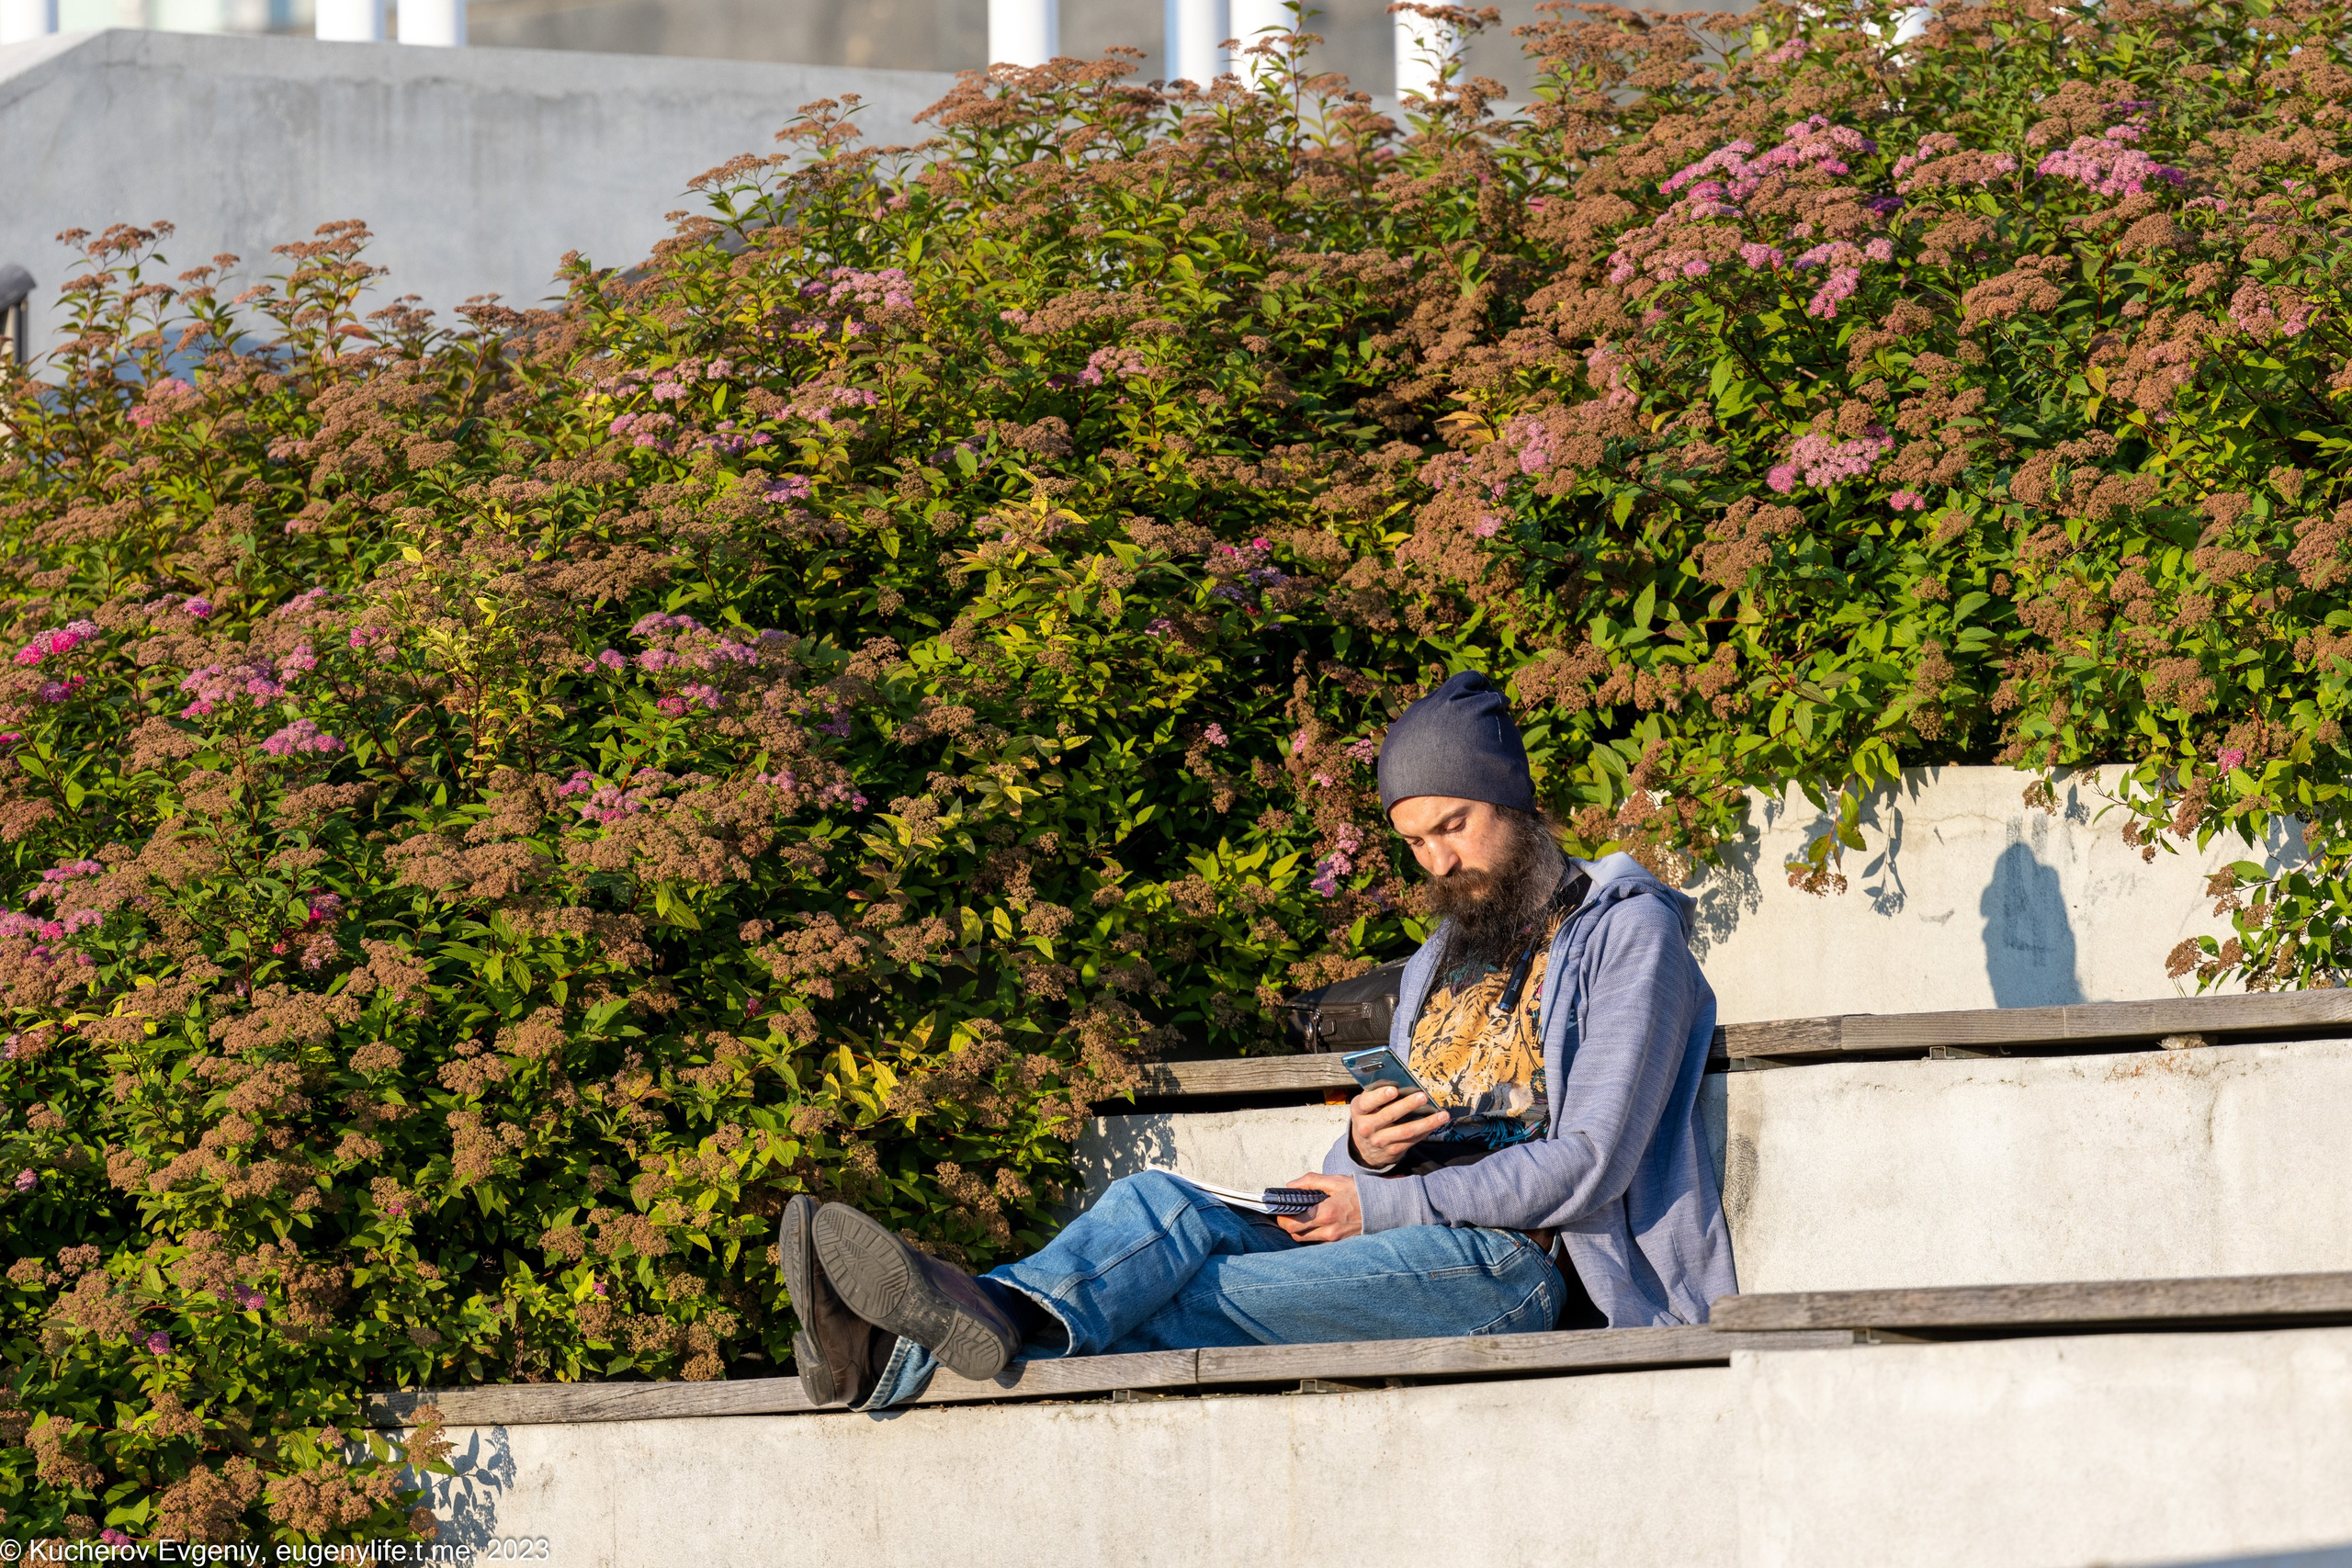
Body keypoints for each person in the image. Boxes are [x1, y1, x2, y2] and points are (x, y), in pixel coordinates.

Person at [781, 671, 1736, 1412]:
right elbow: (1386, 1156)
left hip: (1516, 1267)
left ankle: (895, 1346)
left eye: (1454, 826)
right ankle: (923, 1335)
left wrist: (1380, 1201)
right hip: (1402, 1228)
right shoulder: (1438, 958)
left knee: (1179, 1295)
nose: (1440, 861)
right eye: (1414, 843)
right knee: (1153, 1201)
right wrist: (1364, 1148)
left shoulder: (1627, 933)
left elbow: (1592, 1159)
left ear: (1515, 801)